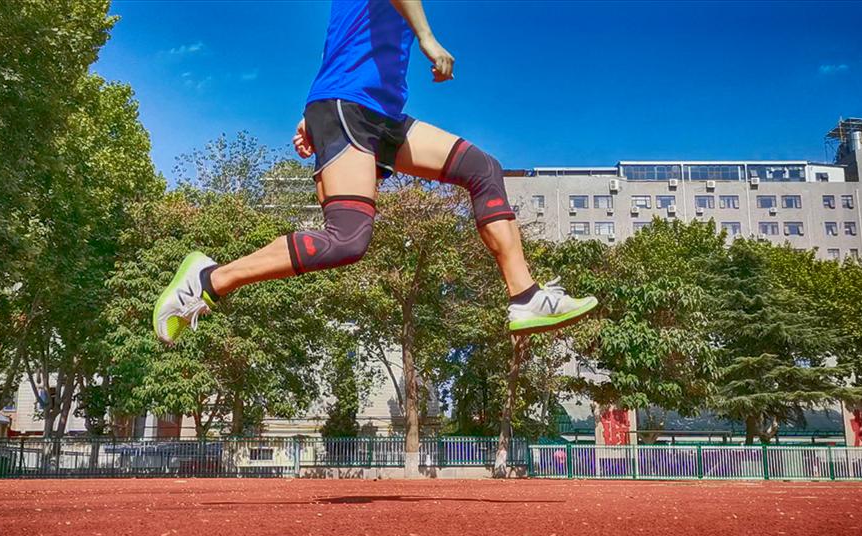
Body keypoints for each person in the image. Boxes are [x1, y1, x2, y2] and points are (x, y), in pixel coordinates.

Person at [153, 0, 597, 344]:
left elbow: (339, 41)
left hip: (375, 113)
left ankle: (525, 297)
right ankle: (210, 279)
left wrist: (313, 113)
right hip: (351, 107)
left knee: (482, 168)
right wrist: (427, 37)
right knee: (347, 238)